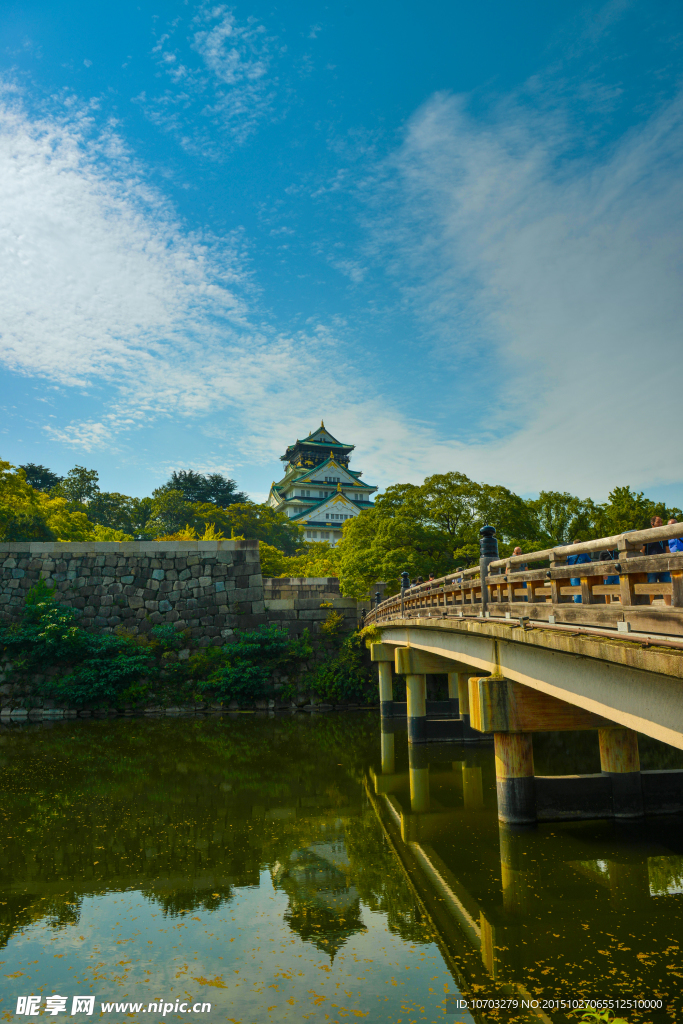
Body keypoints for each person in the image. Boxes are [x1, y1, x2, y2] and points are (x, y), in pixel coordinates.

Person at [643, 515, 671, 606]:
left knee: (667, 587)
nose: (661, 524)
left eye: (661, 522)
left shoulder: (664, 535)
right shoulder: (646, 535)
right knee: (651, 588)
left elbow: (667, 550)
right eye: (658, 522)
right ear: (652, 523)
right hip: (652, 566)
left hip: (663, 565)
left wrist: (670, 563)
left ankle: (669, 608)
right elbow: (642, 551)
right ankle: (649, 607)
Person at [567, 539, 591, 603]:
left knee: (585, 589)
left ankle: (586, 604)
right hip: (573, 574)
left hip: (583, 573)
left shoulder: (584, 553)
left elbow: (589, 562)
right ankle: (578, 605)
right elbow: (565, 564)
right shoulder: (569, 554)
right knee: (577, 591)